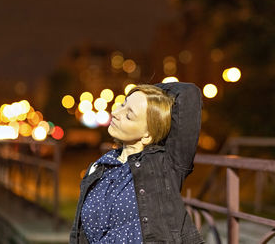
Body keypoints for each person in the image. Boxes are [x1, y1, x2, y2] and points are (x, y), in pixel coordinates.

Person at [70, 82, 204, 244]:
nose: (116, 112)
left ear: (147, 135)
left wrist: (151, 95)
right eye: (122, 104)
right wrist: (140, 95)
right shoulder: (101, 166)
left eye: (129, 115)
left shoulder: (164, 166)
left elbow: (189, 93)